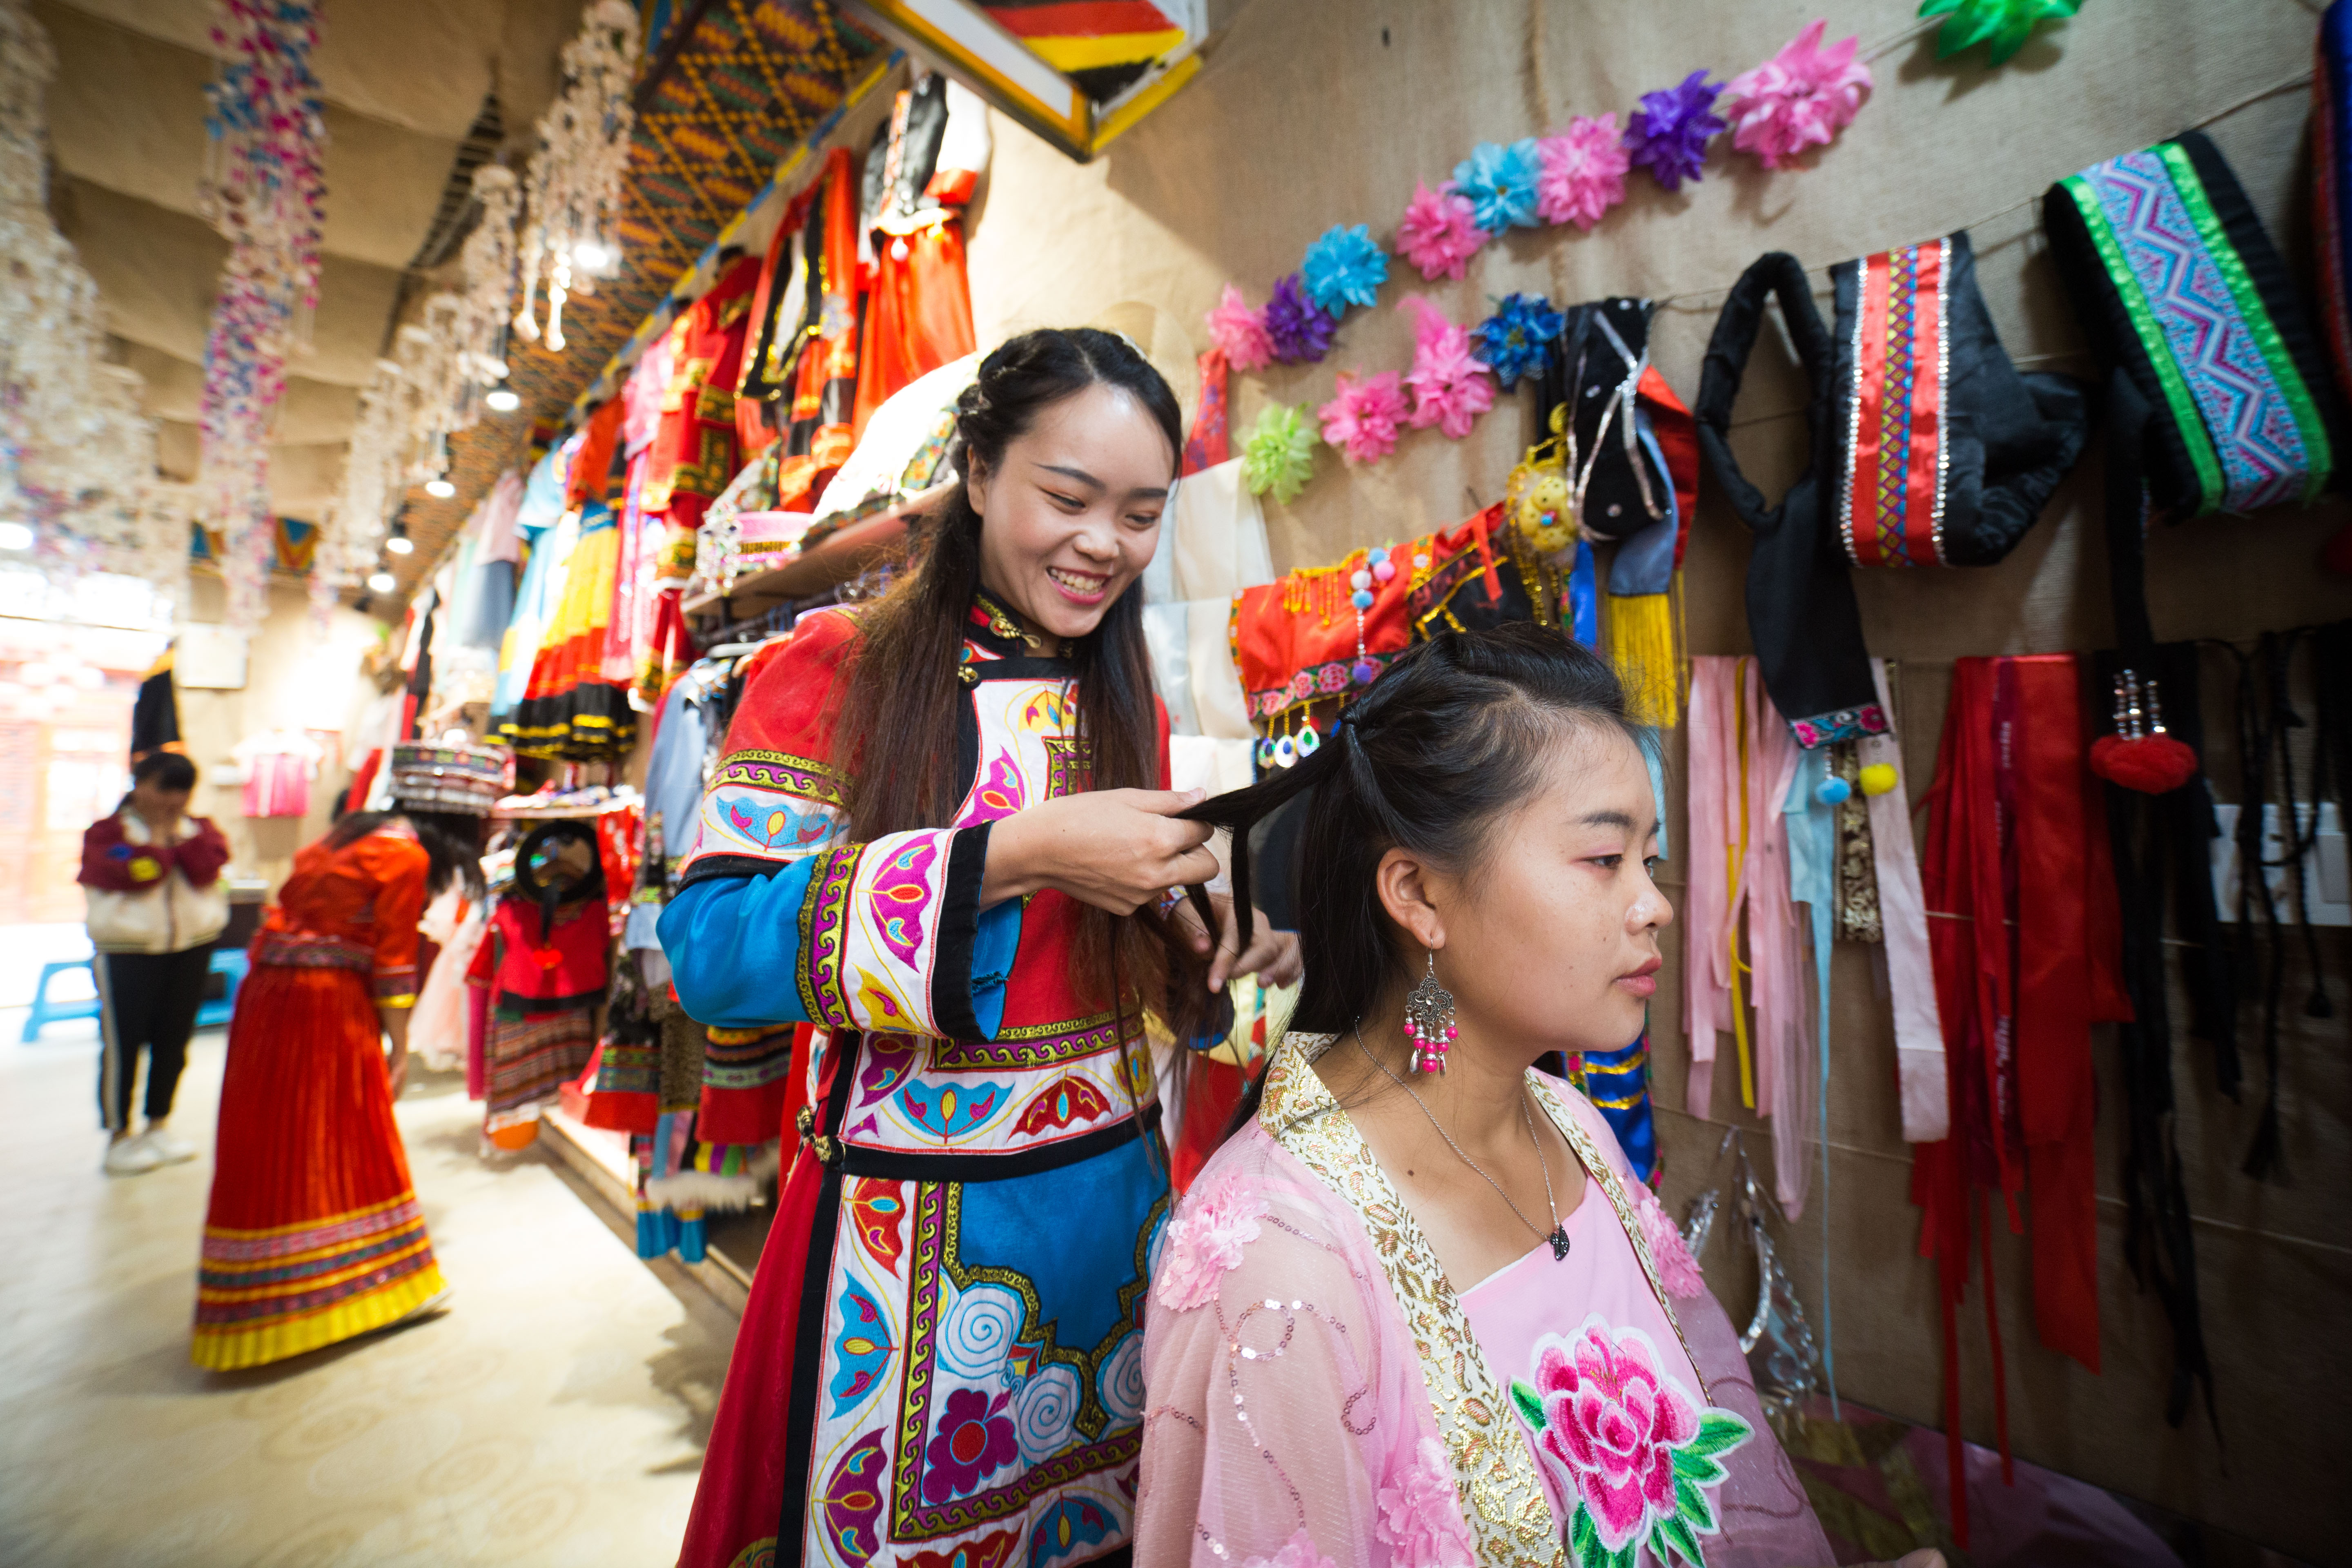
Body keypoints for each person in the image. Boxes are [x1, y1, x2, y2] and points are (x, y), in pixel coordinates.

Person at [661, 327, 1303, 1568]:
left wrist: (1204, 937)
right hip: (907, 1238)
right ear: (976, 470)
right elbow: (707, 943)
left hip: (1115, 1218)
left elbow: (1108, 943)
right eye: (1068, 497)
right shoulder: (838, 668)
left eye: (1138, 512)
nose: (1102, 542)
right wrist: (1018, 853)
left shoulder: (1129, 697)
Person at [1136, 626, 1892, 1568]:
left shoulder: (1569, 1126)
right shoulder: (1281, 1264)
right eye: (1601, 859)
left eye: (1645, 861)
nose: (1652, 903)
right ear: (1416, 892)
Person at [189, 738, 500, 1372]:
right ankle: (375, 1288)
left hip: (269, 992)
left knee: (274, 1141)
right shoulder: (408, 857)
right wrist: (400, 1043)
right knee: (354, 1132)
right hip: (323, 1003)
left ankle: (271, 1300)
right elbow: (390, 960)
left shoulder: (354, 834)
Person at [79, 751, 230, 1176]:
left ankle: (158, 1124)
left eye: (183, 789)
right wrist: (162, 843)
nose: (175, 799)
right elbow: (137, 873)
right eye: (166, 788)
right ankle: (118, 1135)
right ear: (140, 784)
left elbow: (207, 870)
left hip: (191, 946)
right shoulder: (108, 832)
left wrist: (173, 841)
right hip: (129, 951)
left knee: (174, 1040)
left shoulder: (198, 830)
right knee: (123, 1045)